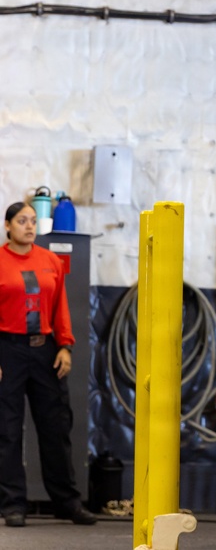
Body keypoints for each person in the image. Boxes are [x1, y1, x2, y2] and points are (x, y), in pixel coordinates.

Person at [0, 202, 97, 527]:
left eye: (32, 220)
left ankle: (67, 502)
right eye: (21, 221)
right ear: (8, 226)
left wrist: (65, 346)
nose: (29, 226)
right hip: (8, 351)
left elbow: (60, 308)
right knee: (8, 431)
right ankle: (13, 504)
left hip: (45, 350)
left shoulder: (51, 261)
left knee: (55, 428)